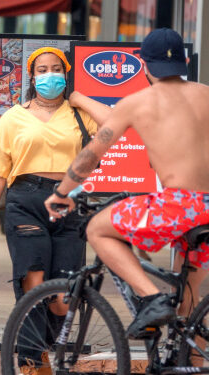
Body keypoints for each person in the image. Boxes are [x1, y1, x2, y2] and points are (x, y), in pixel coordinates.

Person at [45, 28, 209, 340]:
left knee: (96, 228)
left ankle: (151, 297)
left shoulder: (138, 102)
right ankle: (191, 363)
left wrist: (61, 192)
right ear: (184, 61)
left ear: (145, 65)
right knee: (189, 298)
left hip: (179, 206)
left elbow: (91, 156)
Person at [0, 46, 109, 374]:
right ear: (31, 78)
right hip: (25, 202)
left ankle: (44, 350)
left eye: (56, 69)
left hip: (69, 202)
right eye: (42, 70)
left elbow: (115, 123)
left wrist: (79, 99)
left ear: (66, 74)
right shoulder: (12, 117)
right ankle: (32, 361)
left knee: (62, 299)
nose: (50, 75)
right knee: (34, 285)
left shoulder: (78, 114)